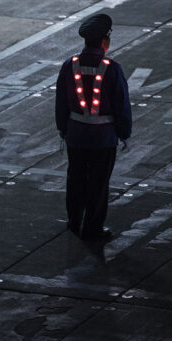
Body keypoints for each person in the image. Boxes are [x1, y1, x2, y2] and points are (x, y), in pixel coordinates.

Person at [55, 13, 133, 242]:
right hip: (103, 138)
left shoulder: (70, 65)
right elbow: (121, 104)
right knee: (98, 184)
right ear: (104, 40)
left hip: (76, 134)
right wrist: (124, 132)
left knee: (76, 178)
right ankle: (93, 228)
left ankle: (74, 220)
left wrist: (63, 128)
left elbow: (61, 100)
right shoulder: (112, 68)